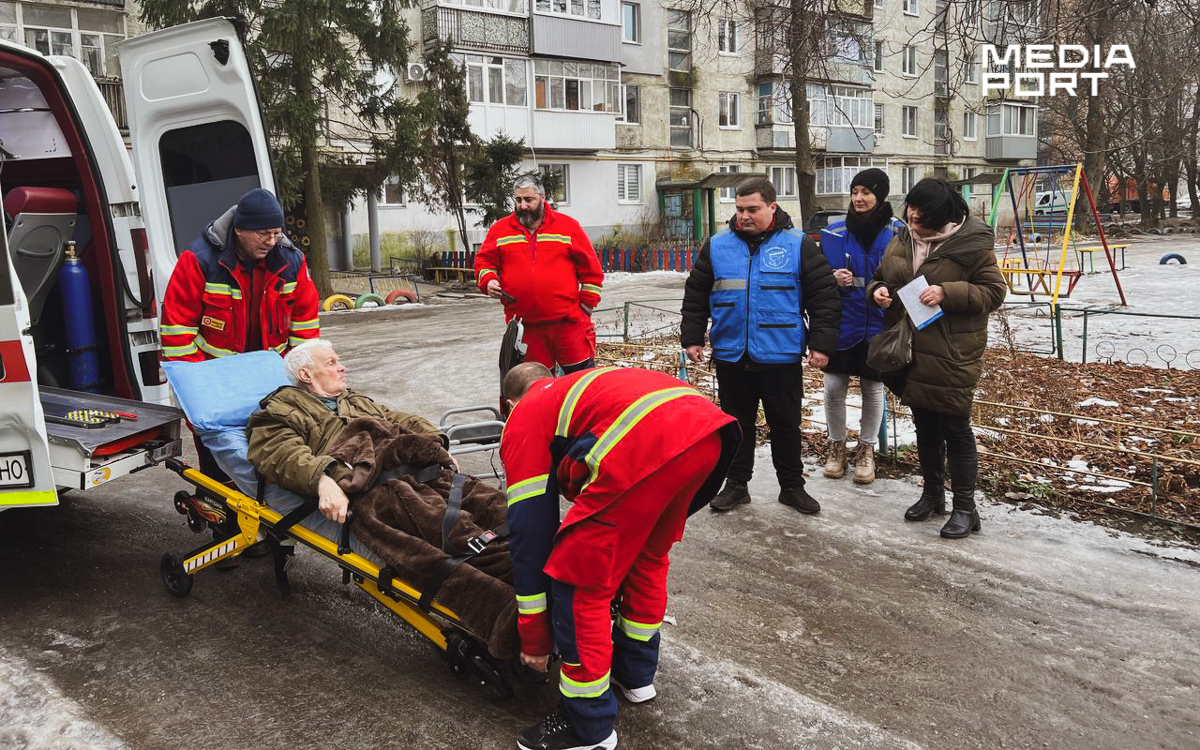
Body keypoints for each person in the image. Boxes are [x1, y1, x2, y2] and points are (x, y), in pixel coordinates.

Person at [499, 363, 740, 750]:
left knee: (579, 582)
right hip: (708, 433)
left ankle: (587, 727)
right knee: (647, 558)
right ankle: (635, 676)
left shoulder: (526, 414)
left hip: (646, 442)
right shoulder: (584, 388)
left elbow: (530, 528)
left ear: (510, 404)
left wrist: (535, 637)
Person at [161, 188, 320, 558]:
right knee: (220, 459)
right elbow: (177, 332)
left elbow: (304, 327)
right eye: (263, 233)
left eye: (277, 232)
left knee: (275, 453)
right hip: (215, 380)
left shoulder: (290, 261)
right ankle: (226, 534)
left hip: (269, 381)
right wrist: (198, 394)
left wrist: (303, 379)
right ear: (239, 231)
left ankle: (274, 525)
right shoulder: (198, 261)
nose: (271, 240)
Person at [680, 176, 841, 514]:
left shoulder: (798, 245)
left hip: (780, 353)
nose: (744, 216)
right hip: (731, 352)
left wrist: (822, 344)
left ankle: (792, 487)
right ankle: (736, 484)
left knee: (785, 424)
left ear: (772, 206)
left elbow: (824, 297)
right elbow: (696, 295)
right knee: (735, 424)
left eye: (752, 209)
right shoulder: (718, 245)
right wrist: (693, 337)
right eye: (739, 209)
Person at [867, 178, 1006, 538]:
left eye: (920, 218)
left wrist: (947, 292)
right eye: (910, 214)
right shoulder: (902, 239)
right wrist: (878, 292)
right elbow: (881, 277)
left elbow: (993, 292)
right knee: (925, 425)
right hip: (909, 349)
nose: (912, 222)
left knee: (956, 428)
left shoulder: (972, 246)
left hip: (952, 351)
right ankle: (932, 496)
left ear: (942, 217)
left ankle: (965, 508)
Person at [246, 339, 448, 547]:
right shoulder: (280, 412)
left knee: (478, 504)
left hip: (418, 475)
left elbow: (396, 417)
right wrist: (322, 480)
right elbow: (281, 454)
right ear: (306, 375)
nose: (342, 367)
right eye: (331, 363)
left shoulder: (352, 399)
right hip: (380, 489)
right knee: (454, 533)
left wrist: (434, 440)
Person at [819, 168, 905, 484]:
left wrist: (890, 295)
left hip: (881, 326)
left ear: (880, 195)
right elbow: (816, 277)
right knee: (833, 387)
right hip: (843, 324)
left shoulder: (899, 234)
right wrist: (831, 278)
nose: (858, 198)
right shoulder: (834, 232)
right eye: (855, 191)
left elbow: (910, 278)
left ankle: (866, 450)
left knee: (872, 388)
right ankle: (836, 446)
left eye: (866, 192)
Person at [474, 175, 605, 374]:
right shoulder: (500, 230)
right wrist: (488, 280)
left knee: (580, 382)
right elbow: (484, 262)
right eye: (518, 200)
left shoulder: (567, 227)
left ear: (542, 198)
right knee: (535, 388)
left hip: (567, 325)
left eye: (528, 200)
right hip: (526, 328)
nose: (523, 206)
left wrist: (585, 306)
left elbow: (592, 271)